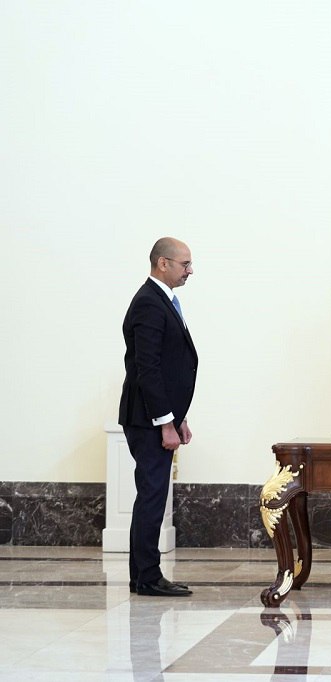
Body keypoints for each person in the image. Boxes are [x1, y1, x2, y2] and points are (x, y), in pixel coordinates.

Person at [119, 237, 197, 597]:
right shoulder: (150, 302)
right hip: (147, 419)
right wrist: (165, 422)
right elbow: (147, 368)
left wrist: (178, 417)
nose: (190, 270)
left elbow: (168, 366)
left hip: (158, 416)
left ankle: (142, 575)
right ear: (162, 263)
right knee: (152, 496)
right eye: (185, 264)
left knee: (151, 495)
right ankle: (148, 576)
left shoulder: (160, 300)